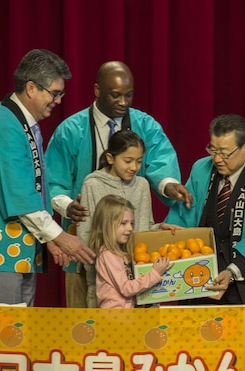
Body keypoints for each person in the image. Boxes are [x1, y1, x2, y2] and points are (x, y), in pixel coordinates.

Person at [45, 61, 192, 308]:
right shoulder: (70, 131)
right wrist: (68, 206)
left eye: (129, 95)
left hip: (135, 260)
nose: (123, 102)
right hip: (85, 249)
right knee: (84, 321)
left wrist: (167, 184)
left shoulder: (146, 126)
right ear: (97, 90)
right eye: (115, 95)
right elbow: (52, 181)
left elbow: (160, 162)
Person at [0, 49, 95, 306]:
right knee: (2, 335)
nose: (58, 100)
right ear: (31, 88)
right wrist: (59, 236)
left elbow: (34, 188)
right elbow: (18, 192)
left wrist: (48, 239)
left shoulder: (23, 123)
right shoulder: (4, 124)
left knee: (18, 336)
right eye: (54, 93)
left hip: (19, 247)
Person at [165, 114, 245, 306]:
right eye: (212, 150)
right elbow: (184, 215)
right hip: (200, 275)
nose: (217, 159)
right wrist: (170, 232)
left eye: (224, 153)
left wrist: (231, 271)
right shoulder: (201, 169)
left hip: (244, 278)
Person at [77, 129, 180, 307]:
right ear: (111, 158)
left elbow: (143, 228)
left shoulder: (142, 185)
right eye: (128, 161)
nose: (134, 167)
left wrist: (158, 229)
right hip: (106, 284)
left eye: (139, 161)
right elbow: (86, 232)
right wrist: (104, 264)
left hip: (143, 279)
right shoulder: (92, 184)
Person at [90, 195, 170, 308]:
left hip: (125, 314)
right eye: (124, 223)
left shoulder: (119, 252)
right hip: (115, 316)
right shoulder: (108, 255)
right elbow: (126, 288)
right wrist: (155, 273)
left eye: (131, 223)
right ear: (106, 225)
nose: (130, 228)